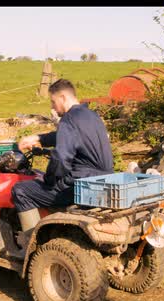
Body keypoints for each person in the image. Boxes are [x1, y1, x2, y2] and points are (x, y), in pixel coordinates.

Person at [10, 78, 114, 255]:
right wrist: (39, 139)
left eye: (53, 101)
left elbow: (61, 159)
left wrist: (49, 181)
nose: (52, 107)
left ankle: (34, 249)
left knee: (20, 190)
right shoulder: (90, 115)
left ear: (63, 97)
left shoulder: (68, 120)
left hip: (79, 185)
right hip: (102, 180)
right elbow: (67, 136)